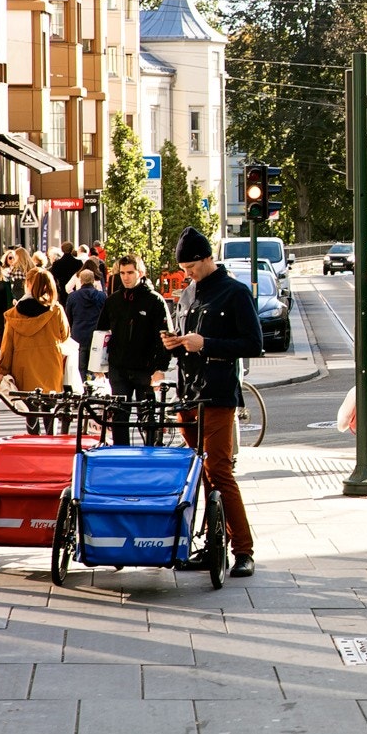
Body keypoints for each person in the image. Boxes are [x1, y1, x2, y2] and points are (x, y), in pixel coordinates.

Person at [161, 227, 261, 578]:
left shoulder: (235, 292)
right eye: (184, 267)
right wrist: (174, 343)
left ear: (207, 259)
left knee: (218, 469)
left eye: (191, 266)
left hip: (218, 394)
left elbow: (253, 344)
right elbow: (189, 341)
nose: (186, 273)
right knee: (198, 473)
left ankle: (243, 550)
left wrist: (206, 344)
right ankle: (209, 544)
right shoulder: (187, 295)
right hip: (188, 394)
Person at [95, 254, 172, 446]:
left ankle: (150, 452)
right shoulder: (113, 301)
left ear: (141, 273)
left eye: (130, 272)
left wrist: (160, 368)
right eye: (122, 273)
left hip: (145, 368)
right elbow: (101, 332)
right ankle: (122, 453)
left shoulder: (154, 301)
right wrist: (98, 364)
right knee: (120, 415)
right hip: (118, 368)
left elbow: (165, 336)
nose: (126, 277)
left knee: (147, 416)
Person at [0, 268, 70, 434]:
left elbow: (7, 346)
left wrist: (3, 370)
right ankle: (50, 442)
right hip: (50, 366)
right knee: (49, 408)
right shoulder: (55, 310)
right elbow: (64, 334)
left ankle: (33, 441)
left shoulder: (14, 315)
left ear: (27, 284)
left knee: (30, 410)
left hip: (24, 368)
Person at [65, 268, 107, 378]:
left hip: (79, 334)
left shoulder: (73, 297)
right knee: (96, 367)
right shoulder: (102, 296)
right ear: (93, 280)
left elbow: (68, 317)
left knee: (80, 367)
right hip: (96, 335)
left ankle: (83, 388)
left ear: (80, 280)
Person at [48, 241, 82, 308]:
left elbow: (53, 278)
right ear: (72, 249)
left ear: (62, 250)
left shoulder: (57, 264)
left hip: (62, 290)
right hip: (74, 289)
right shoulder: (78, 263)